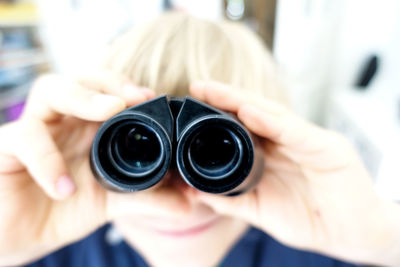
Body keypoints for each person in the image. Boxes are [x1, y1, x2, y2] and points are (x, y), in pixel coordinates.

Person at [0, 12, 399, 267]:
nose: (181, 199)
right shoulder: (50, 239)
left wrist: (382, 238)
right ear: (96, 153)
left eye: (212, 151)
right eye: (140, 148)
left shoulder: (322, 242)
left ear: (266, 152)